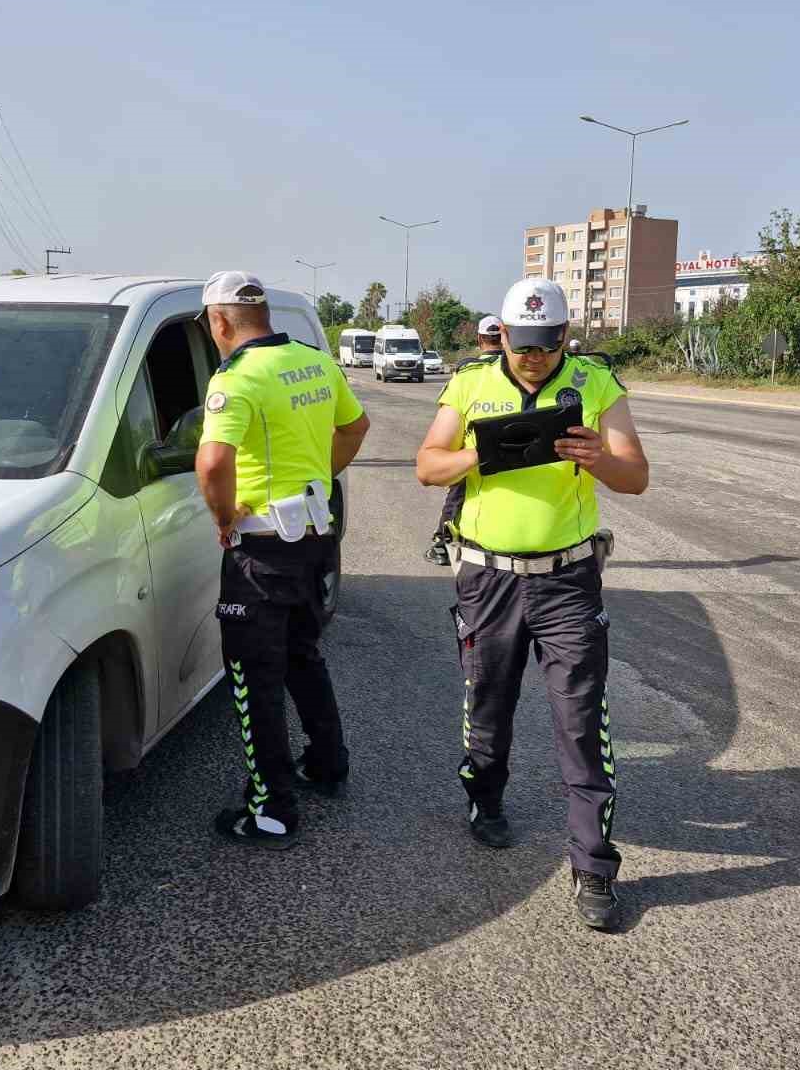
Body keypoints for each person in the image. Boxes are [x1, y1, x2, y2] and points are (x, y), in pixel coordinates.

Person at [414, 277, 649, 929]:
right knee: (487, 699)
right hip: (487, 580)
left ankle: (594, 867)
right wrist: (481, 452)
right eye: (522, 346)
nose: (533, 357)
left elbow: (637, 476)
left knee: (581, 718)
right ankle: (484, 800)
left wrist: (599, 457)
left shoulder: (596, 385)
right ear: (505, 337)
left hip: (567, 581)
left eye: (546, 346)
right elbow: (426, 465)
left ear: (565, 337)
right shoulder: (469, 385)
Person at [195, 271, 371, 848]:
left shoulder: (237, 380)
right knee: (302, 654)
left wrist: (223, 519)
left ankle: (271, 807)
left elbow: (212, 463)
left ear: (219, 322)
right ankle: (327, 762)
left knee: (253, 676)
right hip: (315, 535)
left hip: (262, 547)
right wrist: (316, 473)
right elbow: (356, 426)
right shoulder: (313, 361)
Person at [425, 316, 506, 566]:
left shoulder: (467, 369)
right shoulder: (514, 368)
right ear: (503, 338)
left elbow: (448, 407)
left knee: (458, 493)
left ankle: (442, 542)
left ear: (480, 339)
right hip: (512, 442)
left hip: (473, 446)